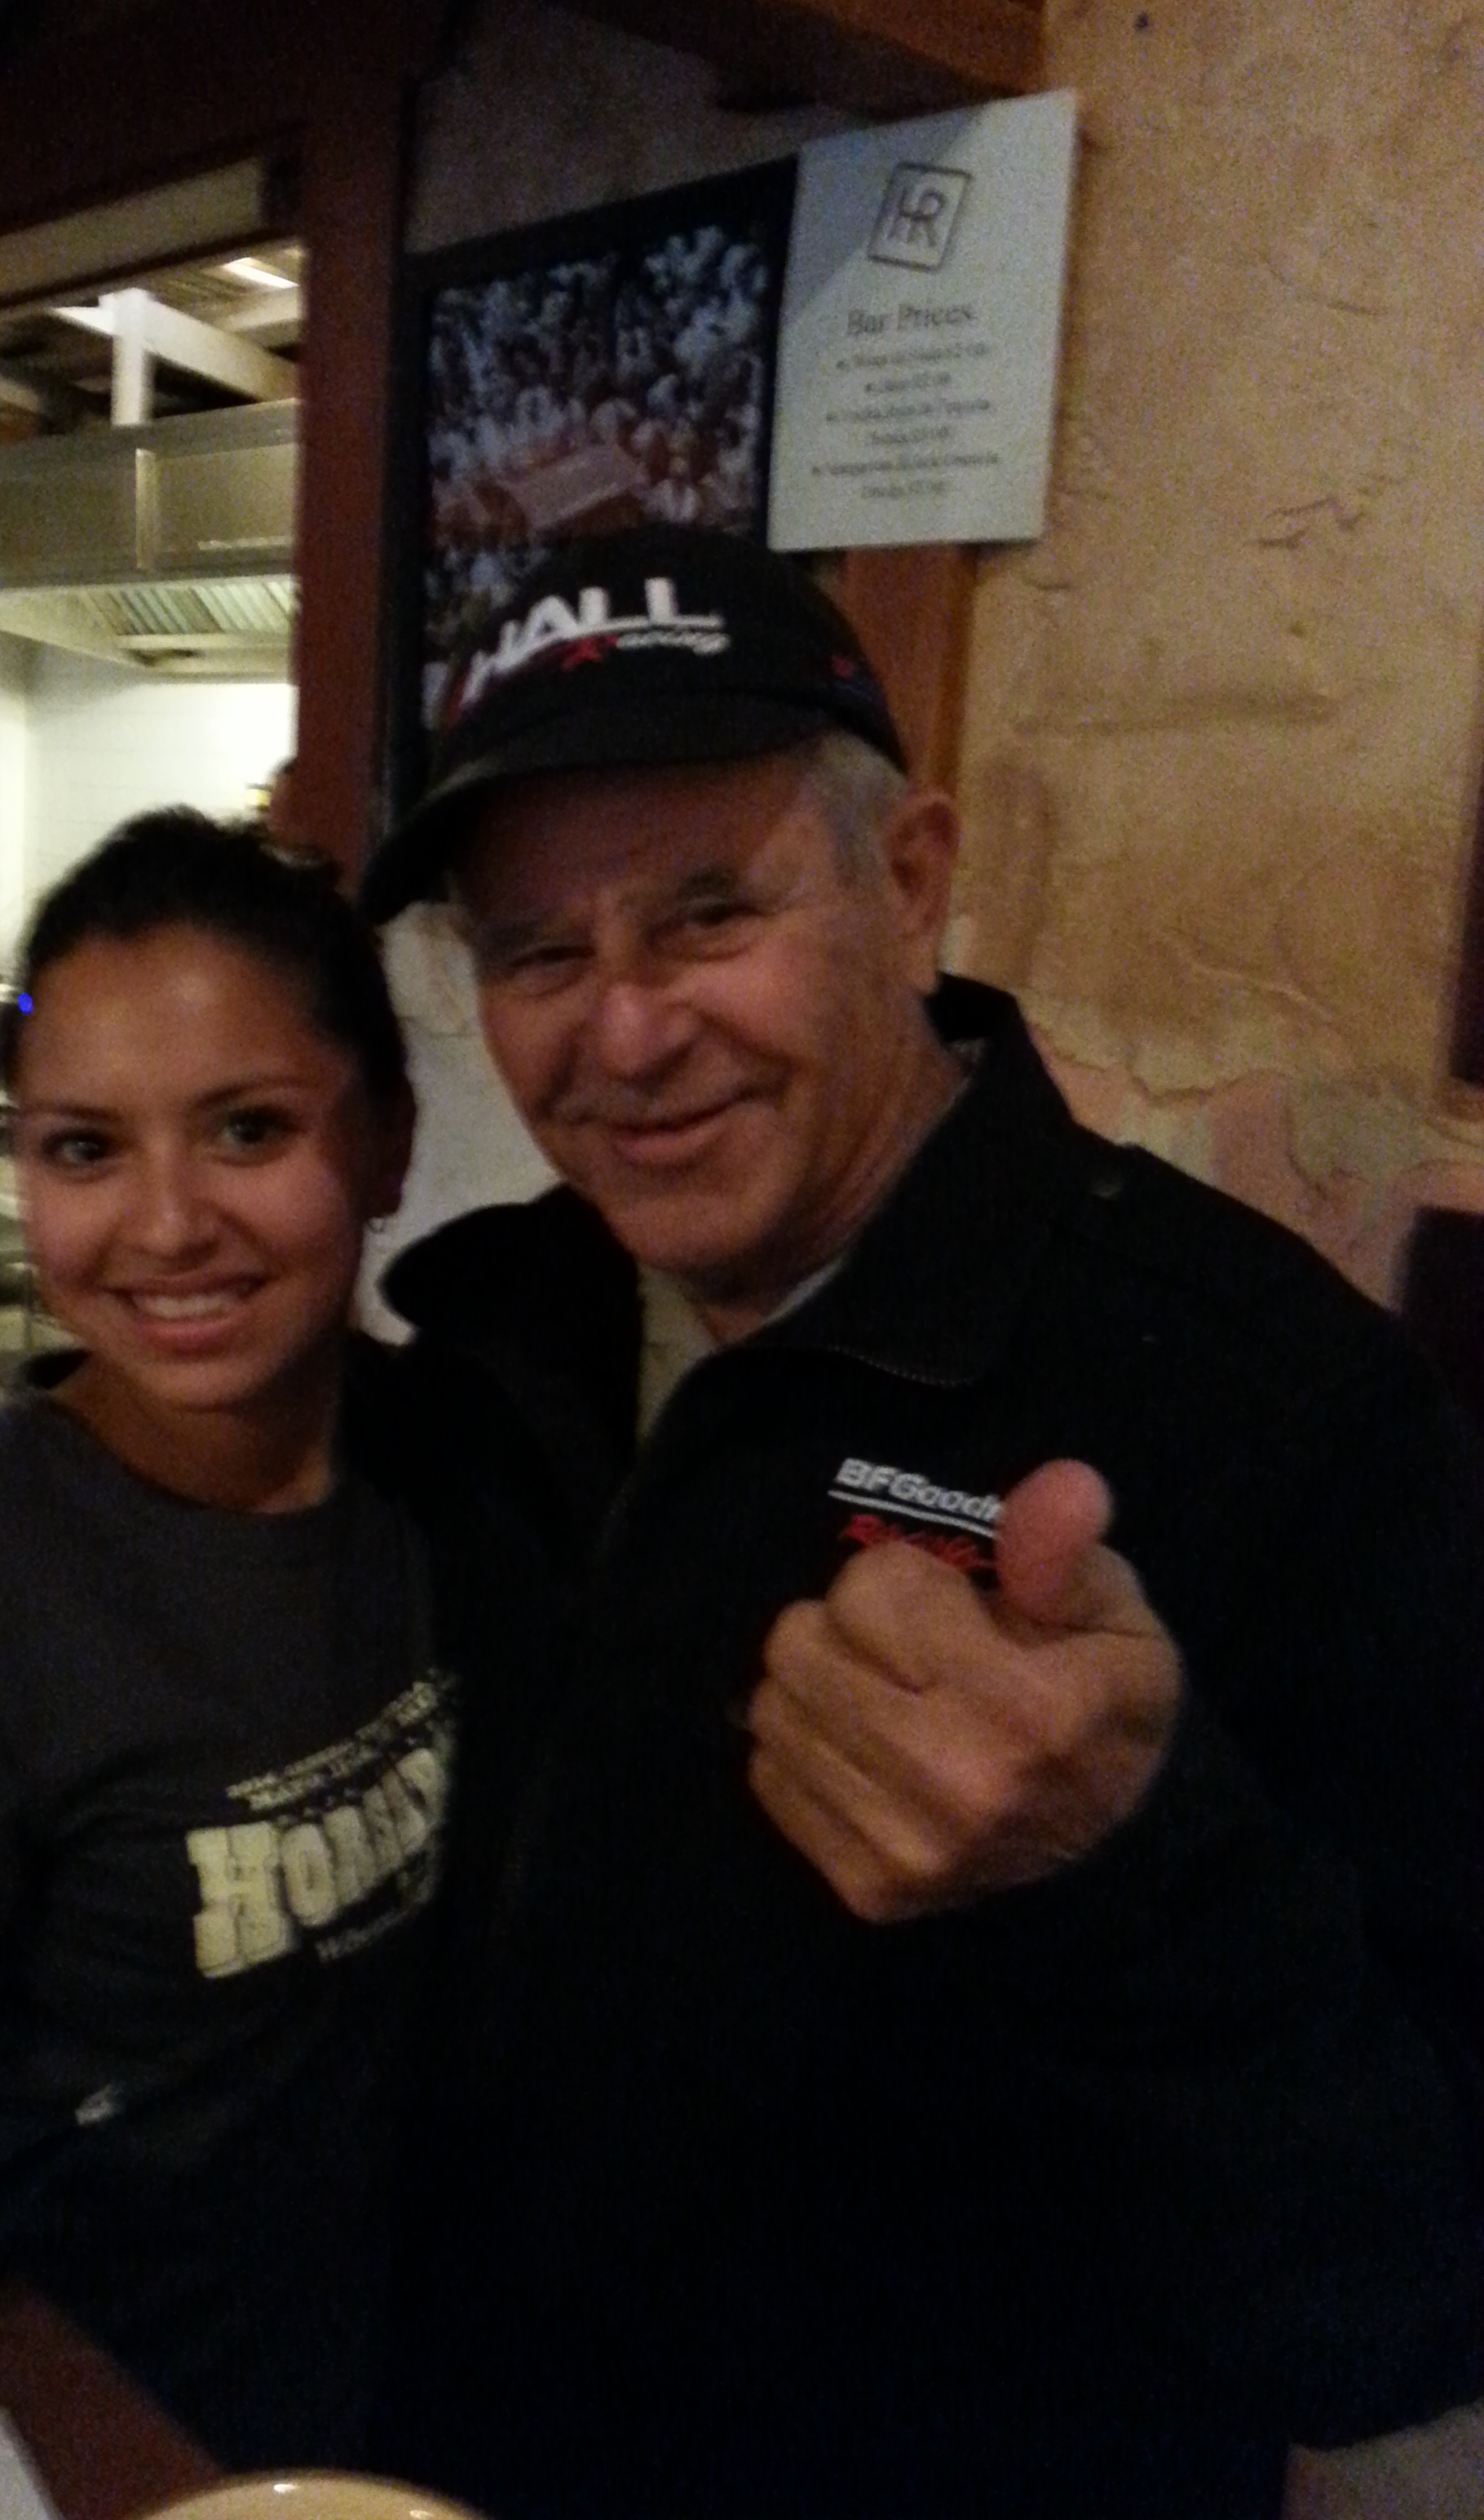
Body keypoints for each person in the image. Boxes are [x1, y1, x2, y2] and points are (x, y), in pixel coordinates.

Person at [361, 526, 1484, 2520]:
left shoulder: (1284, 1407)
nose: (625, 1034)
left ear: (908, 880)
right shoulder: (501, 1329)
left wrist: (1126, 1870)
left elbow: (1416, 2290)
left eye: (709, 913)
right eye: (539, 954)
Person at [0, 811, 582, 2470]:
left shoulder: (449, 1466)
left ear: (388, 1144)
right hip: (128, 2437)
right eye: (84, 1149)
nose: (168, 1223)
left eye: (248, 1129)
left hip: (411, 2387)